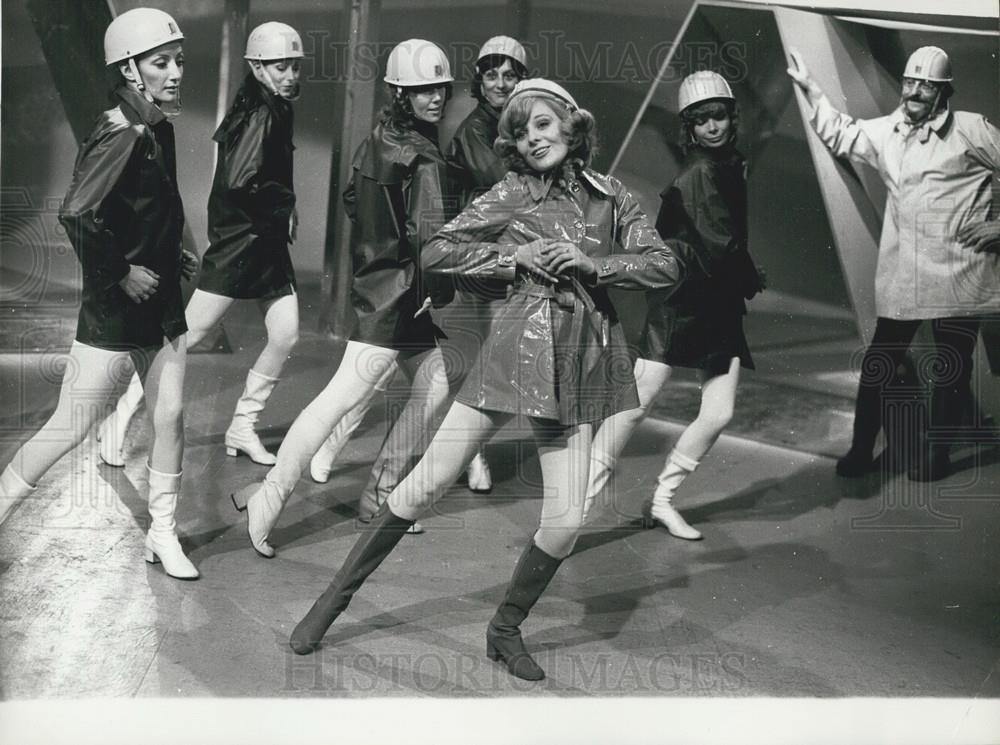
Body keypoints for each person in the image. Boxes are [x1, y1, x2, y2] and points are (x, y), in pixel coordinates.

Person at [288, 79, 693, 682]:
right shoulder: (511, 193)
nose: (532, 138)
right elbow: (438, 251)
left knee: (566, 520)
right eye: (521, 130)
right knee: (425, 484)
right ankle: (332, 601)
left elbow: (665, 264)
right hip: (513, 353)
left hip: (579, 360)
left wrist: (595, 265)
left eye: (543, 125)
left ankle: (504, 630)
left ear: (571, 127)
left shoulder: (614, 197)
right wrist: (513, 259)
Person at [230, 39, 459, 554]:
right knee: (337, 402)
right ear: (401, 94)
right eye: (421, 91)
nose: (435, 99)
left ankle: (378, 499)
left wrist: (384, 249)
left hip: (383, 286)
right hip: (403, 300)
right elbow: (433, 241)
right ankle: (267, 502)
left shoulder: (377, 139)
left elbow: (355, 199)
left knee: (437, 381)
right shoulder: (423, 160)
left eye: (439, 89)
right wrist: (437, 290)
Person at [0, 9, 199, 579]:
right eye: (161, 62)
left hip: (161, 306)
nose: (174, 71)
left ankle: (163, 533)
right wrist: (121, 274)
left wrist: (166, 251)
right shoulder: (123, 130)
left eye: (178, 60)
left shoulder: (158, 124)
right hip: (116, 309)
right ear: (132, 70)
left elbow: (144, 207)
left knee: (172, 414)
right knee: (70, 427)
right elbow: (78, 213)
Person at [306, 36, 530, 499]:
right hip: (456, 265)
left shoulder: (507, 128)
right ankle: (333, 456)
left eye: (511, 76)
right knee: (394, 371)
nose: (501, 85)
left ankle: (447, 464)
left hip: (454, 263)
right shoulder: (475, 133)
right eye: (492, 75)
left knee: (429, 370)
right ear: (479, 80)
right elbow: (508, 191)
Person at [95, 22, 304, 468]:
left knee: (285, 334)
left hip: (263, 242)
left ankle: (242, 427)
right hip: (242, 244)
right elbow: (239, 181)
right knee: (185, 338)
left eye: (293, 67)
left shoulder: (270, 105)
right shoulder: (260, 113)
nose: (289, 75)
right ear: (257, 67)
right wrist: (283, 204)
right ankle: (119, 418)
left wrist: (285, 206)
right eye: (280, 66)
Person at [787, 46, 1000, 481]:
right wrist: (812, 89)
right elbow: (842, 133)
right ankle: (861, 450)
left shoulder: (972, 129)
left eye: (927, 85)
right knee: (880, 363)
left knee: (951, 370)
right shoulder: (888, 131)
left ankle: (938, 456)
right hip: (907, 272)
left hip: (961, 272)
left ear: (944, 91)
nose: (916, 92)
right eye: (910, 83)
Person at [582, 70, 763, 540]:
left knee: (718, 412)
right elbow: (717, 245)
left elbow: (724, 245)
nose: (712, 127)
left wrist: (742, 273)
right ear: (689, 127)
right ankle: (574, 504)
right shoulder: (700, 172)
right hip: (681, 303)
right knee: (634, 407)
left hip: (717, 304)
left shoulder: (726, 165)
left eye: (719, 116)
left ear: (730, 117)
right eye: (701, 121)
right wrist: (749, 273)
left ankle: (661, 500)